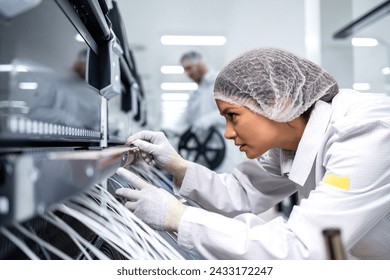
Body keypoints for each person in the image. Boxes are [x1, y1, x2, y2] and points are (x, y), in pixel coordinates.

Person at [115, 47, 390, 259]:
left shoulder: (367, 132)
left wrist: (179, 217)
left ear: (277, 101)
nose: (227, 133)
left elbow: (300, 249)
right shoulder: (288, 140)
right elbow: (242, 192)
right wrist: (178, 165)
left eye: (232, 116)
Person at [177, 51, 244, 172]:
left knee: (225, 185)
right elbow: (190, 123)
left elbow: (235, 111)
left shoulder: (221, 81)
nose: (187, 74)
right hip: (202, 152)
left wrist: (208, 120)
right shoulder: (196, 93)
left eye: (189, 68)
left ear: (200, 63)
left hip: (223, 149)